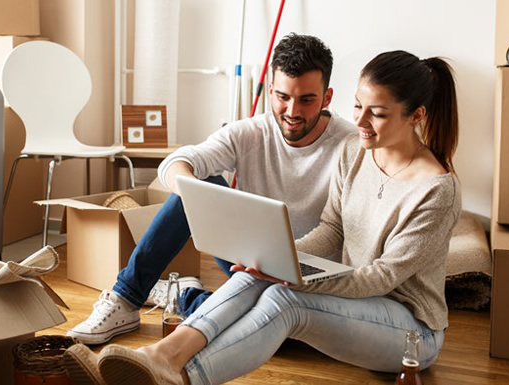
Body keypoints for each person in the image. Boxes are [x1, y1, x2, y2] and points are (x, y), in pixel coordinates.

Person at [63, 49, 463, 385]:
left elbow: (380, 278)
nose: (358, 122)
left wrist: (294, 276)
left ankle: (183, 377)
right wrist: (276, 259)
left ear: (416, 115)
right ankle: (161, 354)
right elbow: (332, 229)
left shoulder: (435, 189)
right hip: (353, 299)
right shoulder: (356, 152)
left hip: (410, 328)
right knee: (259, 271)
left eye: (376, 113)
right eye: (358, 107)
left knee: (285, 297)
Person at [67, 33, 356, 345]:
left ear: (326, 98)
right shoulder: (251, 132)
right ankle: (126, 298)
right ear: (271, 90)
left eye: (306, 100)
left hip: (309, 272)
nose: (292, 111)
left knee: (278, 333)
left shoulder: (352, 144)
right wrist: (191, 189)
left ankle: (184, 296)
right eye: (283, 97)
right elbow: (176, 163)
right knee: (197, 183)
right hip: (249, 259)